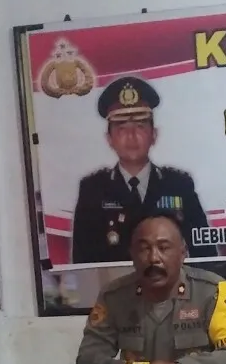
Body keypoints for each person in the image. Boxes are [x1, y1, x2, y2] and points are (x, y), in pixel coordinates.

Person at [77, 213, 226, 364]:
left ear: (182, 253)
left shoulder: (212, 290)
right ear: (132, 255)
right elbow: (88, 357)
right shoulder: (114, 296)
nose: (154, 258)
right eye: (144, 249)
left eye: (163, 248)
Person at [72, 76, 216, 264]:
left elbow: (205, 255)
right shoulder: (93, 190)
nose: (131, 136)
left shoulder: (179, 185)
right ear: (109, 139)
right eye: (122, 128)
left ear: (154, 135)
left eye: (140, 126)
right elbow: (81, 264)